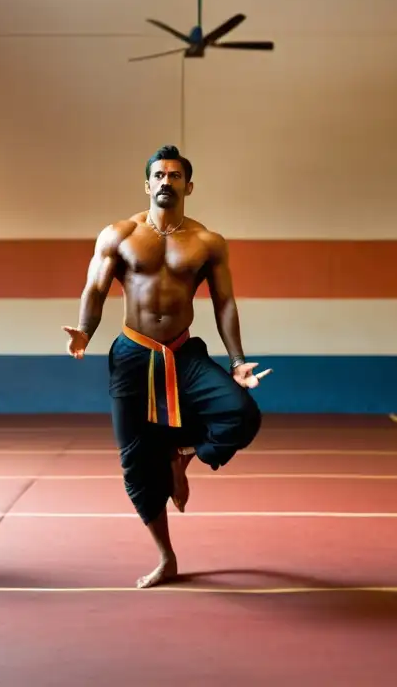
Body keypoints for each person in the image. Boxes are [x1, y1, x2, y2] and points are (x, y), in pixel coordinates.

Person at [63, 144, 270, 589]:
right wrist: (85, 330)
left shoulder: (207, 242)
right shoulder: (118, 234)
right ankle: (166, 557)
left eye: (175, 176)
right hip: (133, 354)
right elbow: (95, 288)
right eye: (158, 175)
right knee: (136, 465)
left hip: (183, 352)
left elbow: (225, 302)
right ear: (147, 184)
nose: (165, 182)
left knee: (242, 413)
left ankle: (182, 455)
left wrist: (236, 362)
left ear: (188, 186)